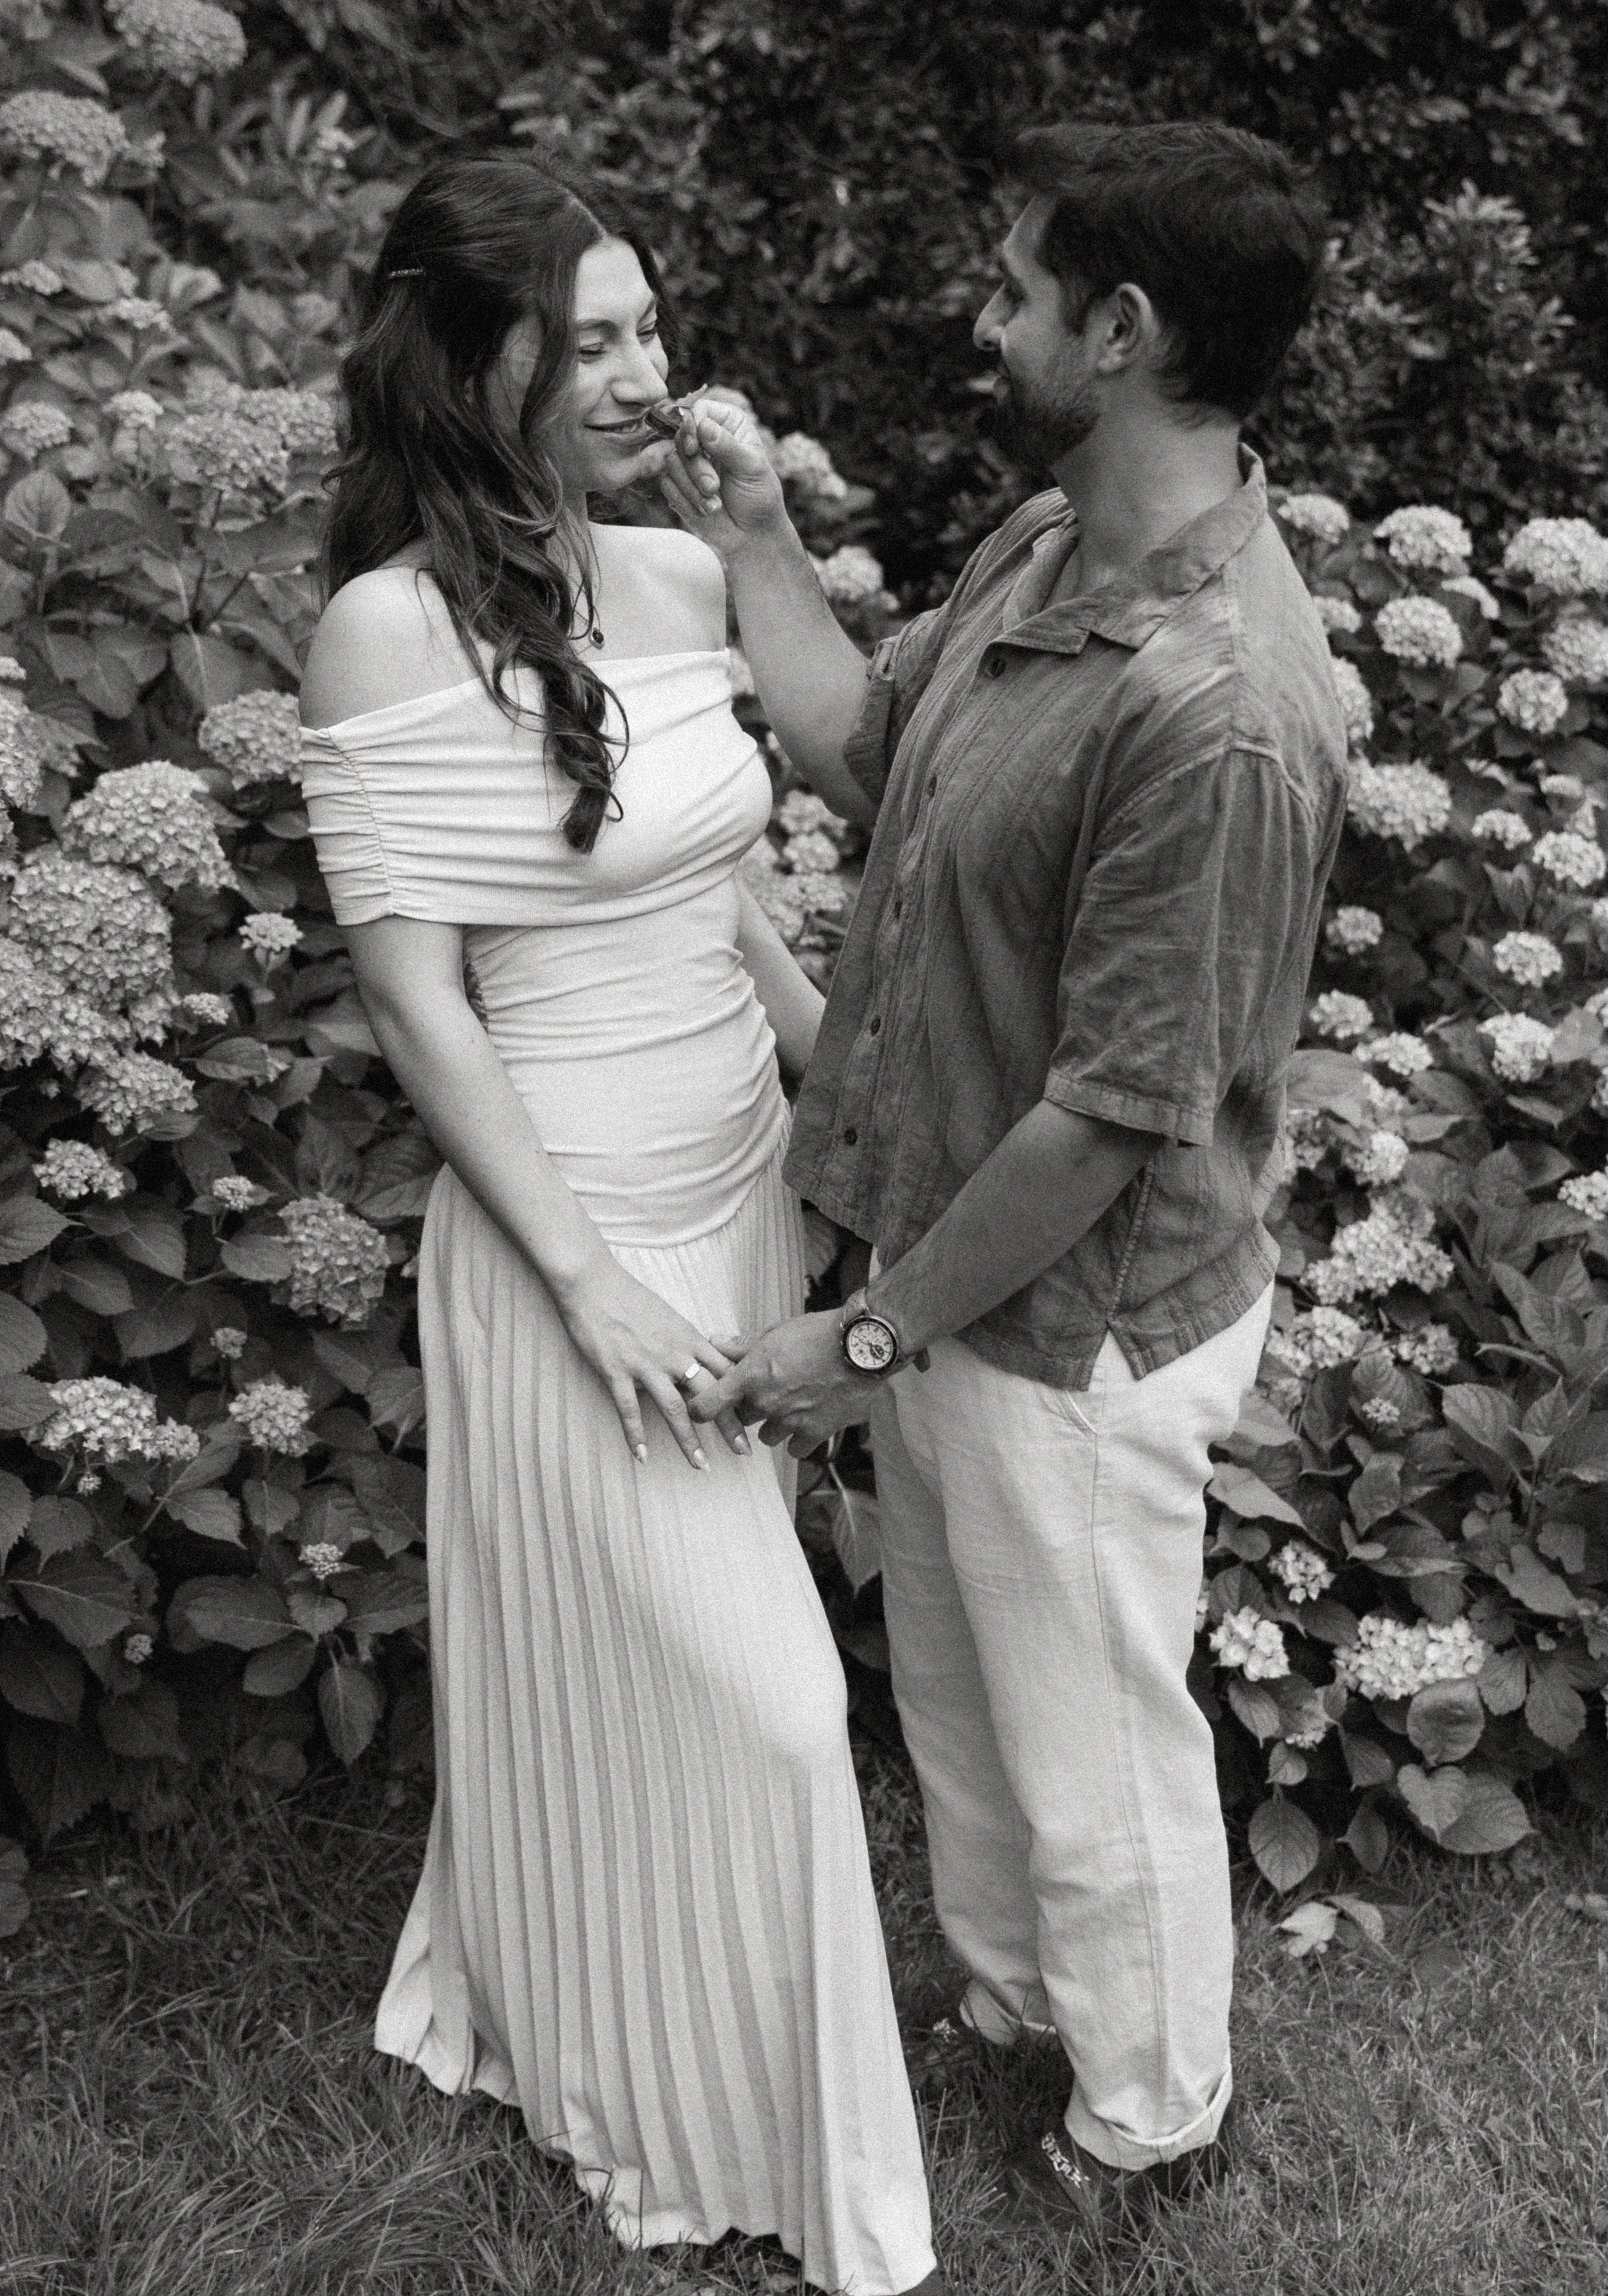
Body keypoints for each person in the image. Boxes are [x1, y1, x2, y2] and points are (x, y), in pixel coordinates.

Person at [669, 119, 1344, 2238]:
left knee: (1090, 1740)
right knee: (963, 1686)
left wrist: (865, 1328)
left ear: (1120, 332)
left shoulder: (1218, 708)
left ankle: (1149, 2121)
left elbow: (1114, 1113)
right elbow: (880, 757)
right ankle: (1015, 2014)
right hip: (956, 1279)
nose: (984, 320)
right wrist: (763, 536)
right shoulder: (1043, 550)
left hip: (1068, 1312)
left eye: (1009, 288)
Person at [297, 151, 942, 2296]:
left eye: (650, 328)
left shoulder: (670, 582)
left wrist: (861, 1106)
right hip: (570, 1234)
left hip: (742, 1185)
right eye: (589, 340)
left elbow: (720, 883)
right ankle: (723, 2122)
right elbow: (416, 1004)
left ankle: (624, 2008)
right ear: (466, 363)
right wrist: (582, 1288)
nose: (642, 374)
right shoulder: (378, 634)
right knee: (763, 1704)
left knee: (704, 1670)